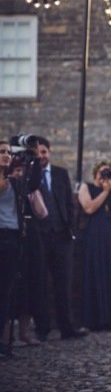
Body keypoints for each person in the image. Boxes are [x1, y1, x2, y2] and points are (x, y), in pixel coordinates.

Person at [29, 136, 87, 341]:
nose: (41, 156)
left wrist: (70, 228)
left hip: (62, 236)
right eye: (37, 154)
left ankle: (67, 327)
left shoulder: (61, 173)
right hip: (39, 236)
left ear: (50, 153)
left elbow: (68, 203)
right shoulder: (30, 174)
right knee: (40, 283)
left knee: (63, 283)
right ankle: (42, 329)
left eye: (44, 152)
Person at [78, 160, 111, 331]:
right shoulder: (86, 187)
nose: (104, 176)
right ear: (95, 174)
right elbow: (89, 208)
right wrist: (104, 192)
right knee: (96, 271)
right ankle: (95, 319)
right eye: (101, 173)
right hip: (95, 233)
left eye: (107, 172)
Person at [0, 141, 26, 357]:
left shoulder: (14, 183)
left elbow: (33, 185)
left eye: (8, 152)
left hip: (11, 237)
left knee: (5, 291)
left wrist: (33, 159)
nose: (6, 155)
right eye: (1, 152)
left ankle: (3, 342)